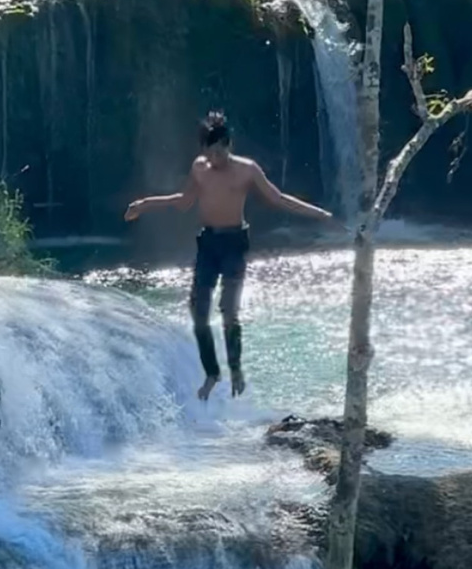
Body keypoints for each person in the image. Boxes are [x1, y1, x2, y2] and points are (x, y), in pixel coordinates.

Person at [125, 112, 335, 401]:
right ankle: (212, 373)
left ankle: (236, 369)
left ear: (228, 145)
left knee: (229, 312)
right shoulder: (199, 168)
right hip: (208, 243)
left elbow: (278, 198)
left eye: (220, 150)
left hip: (235, 243)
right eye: (210, 152)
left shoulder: (247, 170)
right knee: (199, 314)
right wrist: (145, 204)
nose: (215, 158)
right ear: (203, 151)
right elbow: (184, 202)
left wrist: (319, 214)